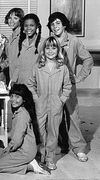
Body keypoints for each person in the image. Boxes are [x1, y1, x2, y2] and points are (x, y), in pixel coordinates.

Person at [47, 12, 94, 162]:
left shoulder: (73, 41)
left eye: (58, 23)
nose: (55, 26)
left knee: (73, 117)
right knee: (54, 117)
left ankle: (79, 148)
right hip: (53, 85)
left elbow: (88, 59)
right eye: (52, 24)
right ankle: (56, 148)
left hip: (68, 85)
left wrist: (78, 77)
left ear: (64, 24)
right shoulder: (49, 41)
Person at [27, 36, 72, 170]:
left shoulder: (62, 68)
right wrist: (35, 97)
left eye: (53, 47)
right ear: (43, 50)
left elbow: (67, 86)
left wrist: (61, 100)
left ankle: (50, 158)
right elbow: (30, 84)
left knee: (53, 132)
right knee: (40, 131)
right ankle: (41, 156)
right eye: (47, 48)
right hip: (41, 104)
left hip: (56, 105)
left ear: (58, 50)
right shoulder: (38, 66)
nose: (50, 51)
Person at [0, 84, 50, 175]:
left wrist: (9, 148)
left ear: (24, 99)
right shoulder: (20, 111)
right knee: (3, 157)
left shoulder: (22, 115)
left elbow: (17, 139)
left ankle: (31, 166)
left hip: (25, 151)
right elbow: (15, 133)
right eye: (12, 96)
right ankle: (30, 161)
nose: (13, 99)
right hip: (23, 148)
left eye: (17, 97)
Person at [11, 13, 44, 85]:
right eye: (26, 26)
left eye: (32, 25)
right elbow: (18, 66)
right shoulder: (21, 43)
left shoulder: (43, 43)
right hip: (21, 84)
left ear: (37, 26)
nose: (28, 28)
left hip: (36, 85)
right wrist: (13, 80)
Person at [0, 8, 24, 84]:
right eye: (10, 18)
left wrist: (14, 79)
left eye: (15, 18)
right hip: (12, 75)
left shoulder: (23, 37)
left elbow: (21, 62)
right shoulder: (10, 38)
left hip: (20, 78)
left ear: (21, 20)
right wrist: (1, 66)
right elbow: (10, 58)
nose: (11, 21)